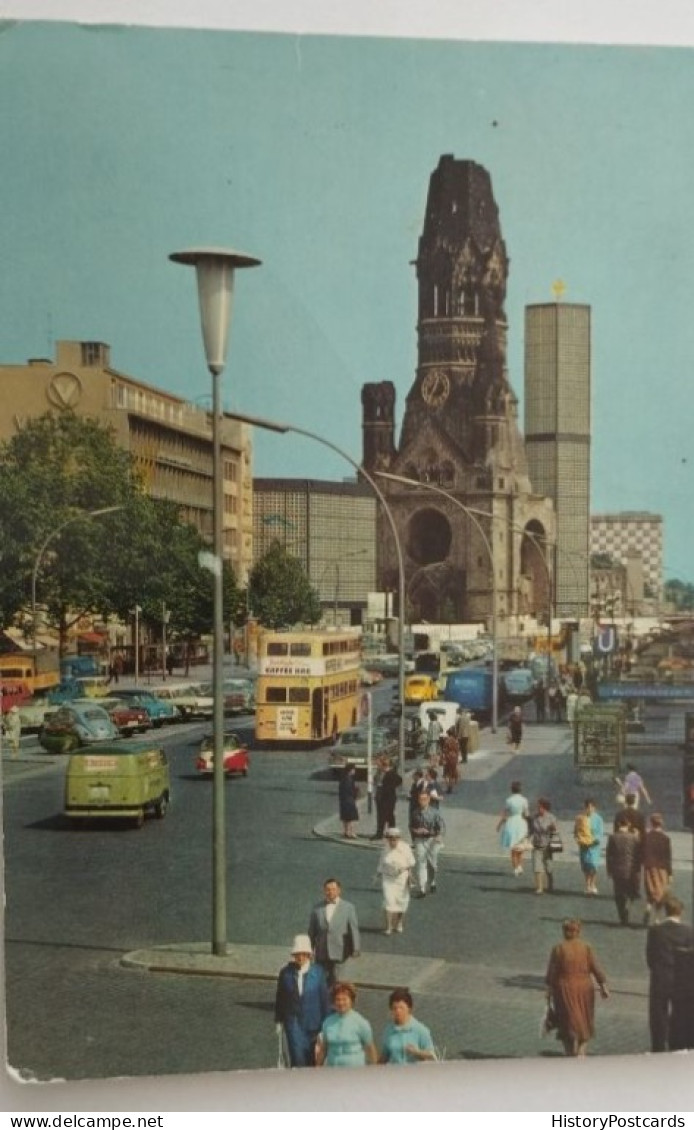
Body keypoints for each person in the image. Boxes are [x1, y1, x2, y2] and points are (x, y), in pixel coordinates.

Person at [545, 918, 610, 1057]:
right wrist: (603, 985)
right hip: (584, 988)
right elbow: (596, 967)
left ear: (564, 931)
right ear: (578, 932)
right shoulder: (586, 947)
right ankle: (581, 1053)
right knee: (584, 1020)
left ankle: (569, 1053)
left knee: (567, 1021)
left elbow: (552, 973)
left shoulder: (558, 948)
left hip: (565, 988)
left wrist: (549, 991)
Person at [646, 895, 694, 1053]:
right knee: (680, 1012)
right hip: (681, 978)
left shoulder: (655, 931)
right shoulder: (689, 931)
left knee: (658, 1014)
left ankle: (658, 1046)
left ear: (666, 911)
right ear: (681, 912)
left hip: (660, 977)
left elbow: (650, 956)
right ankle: (678, 1045)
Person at [274, 934, 330, 1067]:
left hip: (314, 1025)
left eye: (304, 954)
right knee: (298, 1060)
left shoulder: (319, 973)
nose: (300, 957)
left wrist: (326, 1025)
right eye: (297, 954)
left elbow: (324, 1000)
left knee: (313, 1061)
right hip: (294, 1024)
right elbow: (280, 997)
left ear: (309, 954)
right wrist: (278, 1019)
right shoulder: (285, 973)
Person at [308, 878, 361, 987]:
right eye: (328, 889)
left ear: (339, 890)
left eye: (333, 889)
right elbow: (312, 931)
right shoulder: (317, 908)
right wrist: (309, 949)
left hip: (340, 950)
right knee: (321, 979)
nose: (330, 892)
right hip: (322, 951)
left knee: (338, 979)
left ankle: (335, 1001)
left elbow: (353, 929)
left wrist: (356, 948)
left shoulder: (348, 907)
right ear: (324, 891)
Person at [315, 981, 377, 1067]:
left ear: (351, 1001)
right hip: (333, 1070)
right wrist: (317, 1068)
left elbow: (370, 1048)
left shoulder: (360, 1022)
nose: (341, 1003)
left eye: (344, 999)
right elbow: (323, 1049)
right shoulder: (328, 1022)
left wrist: (375, 1070)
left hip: (355, 1071)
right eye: (338, 999)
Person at [379, 988, 436, 1064]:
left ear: (409, 1008)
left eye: (401, 1008)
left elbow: (431, 1055)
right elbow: (384, 1056)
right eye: (394, 1008)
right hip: (395, 1073)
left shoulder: (420, 1030)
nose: (398, 1011)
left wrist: (417, 1052)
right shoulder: (388, 1031)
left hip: (414, 1073)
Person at [377, 828, 415, 935]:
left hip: (402, 879)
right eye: (390, 839)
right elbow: (381, 862)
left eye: (395, 839)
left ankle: (398, 923)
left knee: (402, 902)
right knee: (389, 901)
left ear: (399, 838)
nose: (392, 841)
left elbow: (411, 862)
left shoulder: (405, 848)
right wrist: (378, 873)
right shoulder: (385, 849)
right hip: (388, 879)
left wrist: (403, 869)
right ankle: (388, 927)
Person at [605, 816, 642, 926]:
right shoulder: (634, 838)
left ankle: (622, 915)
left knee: (618, 893)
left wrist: (609, 870)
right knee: (631, 892)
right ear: (628, 825)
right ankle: (628, 908)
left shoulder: (613, 837)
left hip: (617, 869)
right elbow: (638, 853)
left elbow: (609, 855)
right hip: (631, 869)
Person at [409, 791, 444, 896]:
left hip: (432, 840)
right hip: (419, 840)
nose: (422, 801)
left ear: (429, 799)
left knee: (432, 863)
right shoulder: (414, 813)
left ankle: (432, 881)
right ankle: (422, 888)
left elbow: (441, 826)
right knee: (421, 862)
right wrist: (416, 831)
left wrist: (438, 835)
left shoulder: (435, 812)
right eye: (420, 799)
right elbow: (411, 826)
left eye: (424, 799)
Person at [642, 813, 673, 926]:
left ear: (651, 823)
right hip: (662, 868)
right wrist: (670, 873)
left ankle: (648, 907)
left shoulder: (646, 837)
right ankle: (656, 918)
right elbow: (668, 857)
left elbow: (642, 853)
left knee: (650, 890)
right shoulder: (665, 839)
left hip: (649, 867)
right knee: (661, 893)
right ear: (661, 823)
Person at [496, 780, 529, 877]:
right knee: (520, 847)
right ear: (520, 789)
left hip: (512, 823)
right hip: (521, 823)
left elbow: (504, 814)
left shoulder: (509, 800)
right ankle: (520, 866)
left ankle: (515, 868)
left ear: (512, 790)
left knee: (513, 848)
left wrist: (499, 824)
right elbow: (526, 814)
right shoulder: (524, 800)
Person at [574, 797, 604, 895]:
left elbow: (600, 833)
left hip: (594, 846)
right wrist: (578, 839)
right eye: (587, 807)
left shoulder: (598, 819)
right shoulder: (580, 818)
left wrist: (594, 840)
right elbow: (576, 832)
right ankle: (587, 885)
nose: (589, 809)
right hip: (584, 846)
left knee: (594, 866)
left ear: (594, 808)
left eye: (591, 807)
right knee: (586, 866)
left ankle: (593, 884)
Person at [529, 797, 557, 895]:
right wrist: (525, 839)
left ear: (545, 808)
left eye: (541, 807)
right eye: (538, 807)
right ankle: (539, 887)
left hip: (547, 845)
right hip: (536, 844)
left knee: (548, 867)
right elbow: (530, 830)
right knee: (537, 867)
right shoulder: (534, 817)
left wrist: (552, 828)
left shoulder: (551, 817)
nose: (539, 809)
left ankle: (550, 883)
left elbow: (554, 830)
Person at [338, 763, 359, 839]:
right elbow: (350, 790)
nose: (354, 771)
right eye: (354, 769)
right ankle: (351, 833)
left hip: (343, 800)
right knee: (351, 817)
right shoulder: (349, 779)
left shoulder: (344, 778)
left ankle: (346, 832)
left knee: (345, 817)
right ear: (350, 770)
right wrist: (355, 792)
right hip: (349, 800)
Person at [440, 728, 460, 794]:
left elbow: (444, 750)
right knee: (452, 773)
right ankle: (451, 786)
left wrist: (442, 759)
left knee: (446, 774)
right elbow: (457, 750)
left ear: (448, 733)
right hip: (454, 757)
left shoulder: (447, 741)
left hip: (448, 757)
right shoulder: (456, 740)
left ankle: (449, 787)